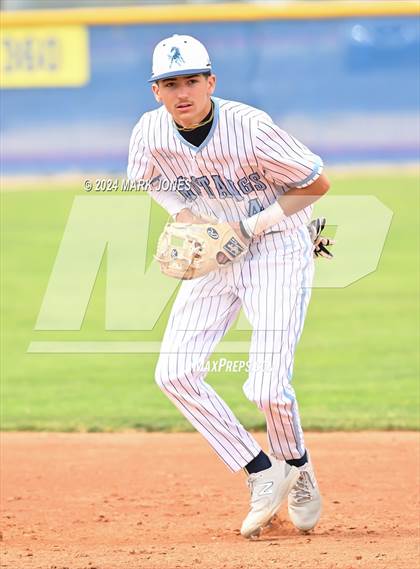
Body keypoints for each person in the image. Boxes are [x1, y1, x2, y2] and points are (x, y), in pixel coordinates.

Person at [127, 34, 330, 538]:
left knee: (265, 386)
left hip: (277, 248)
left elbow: (316, 183)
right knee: (174, 373)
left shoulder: (250, 127)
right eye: (170, 83)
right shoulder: (150, 133)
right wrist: (185, 213)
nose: (182, 92)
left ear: (211, 82)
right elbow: (148, 179)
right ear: (156, 91)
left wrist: (250, 227)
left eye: (192, 80)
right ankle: (262, 471)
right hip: (215, 252)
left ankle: (298, 468)